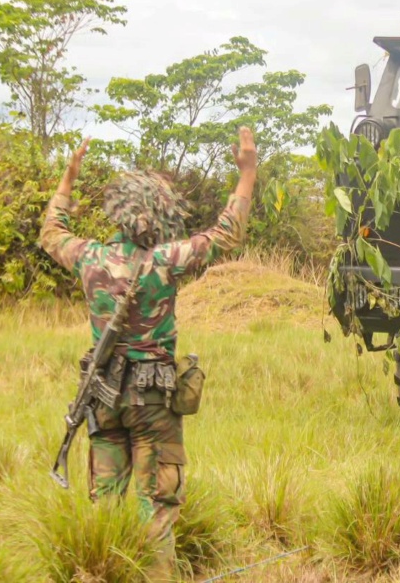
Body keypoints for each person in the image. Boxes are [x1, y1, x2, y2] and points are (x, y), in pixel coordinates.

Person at [39, 126, 258, 580]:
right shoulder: (166, 259)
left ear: (118, 213)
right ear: (161, 216)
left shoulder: (90, 257)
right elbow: (226, 234)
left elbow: (51, 233)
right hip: (152, 402)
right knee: (155, 510)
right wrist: (247, 173)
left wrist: (67, 181)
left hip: (103, 400)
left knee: (106, 505)